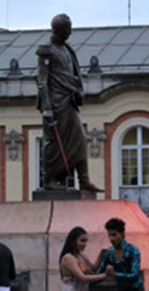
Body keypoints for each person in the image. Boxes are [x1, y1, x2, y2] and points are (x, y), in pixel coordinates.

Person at [36, 13, 102, 193]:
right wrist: (47, 107)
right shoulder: (46, 50)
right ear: (60, 29)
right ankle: (49, 179)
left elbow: (74, 74)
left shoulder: (67, 49)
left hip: (70, 101)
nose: (71, 32)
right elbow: (42, 80)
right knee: (53, 143)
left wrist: (78, 90)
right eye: (68, 28)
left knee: (79, 138)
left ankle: (84, 180)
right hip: (56, 104)